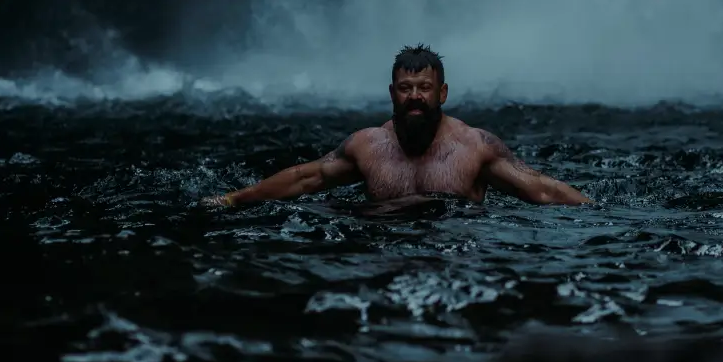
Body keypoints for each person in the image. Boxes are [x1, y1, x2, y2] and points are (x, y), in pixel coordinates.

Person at [202, 45, 592, 208]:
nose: (415, 96)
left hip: (457, 262)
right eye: (406, 89)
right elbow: (306, 179)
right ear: (392, 94)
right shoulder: (368, 145)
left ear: (442, 93)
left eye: (425, 88)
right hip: (385, 256)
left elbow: (540, 188)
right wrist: (234, 200)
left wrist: (597, 212)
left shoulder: (475, 146)